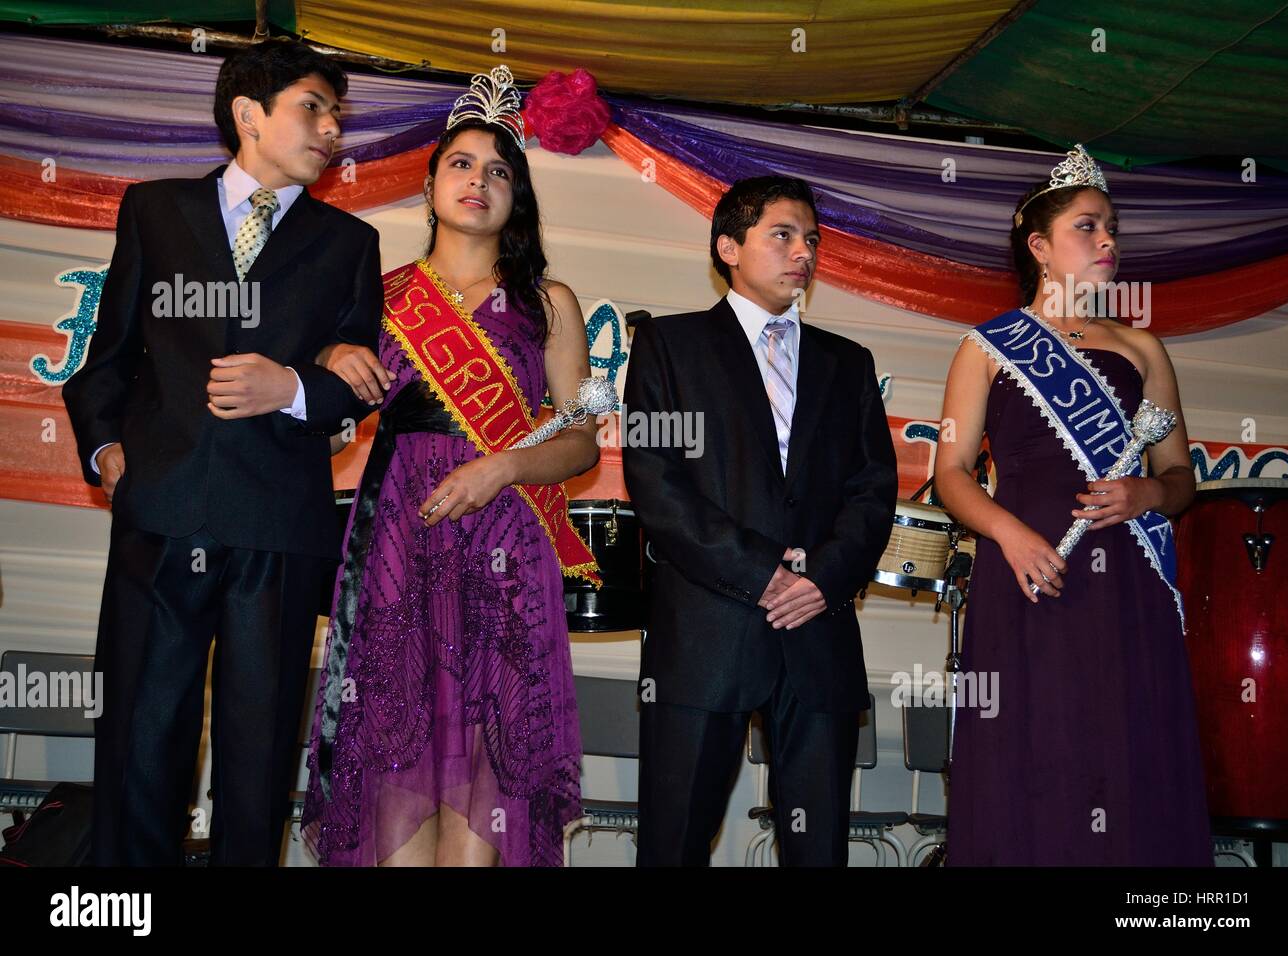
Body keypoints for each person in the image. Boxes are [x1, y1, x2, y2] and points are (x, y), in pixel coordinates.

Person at [60, 39, 382, 865]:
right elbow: (107, 362)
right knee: (138, 734)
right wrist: (106, 455)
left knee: (258, 755)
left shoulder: (349, 244)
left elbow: (359, 377)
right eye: (313, 106)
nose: (331, 129)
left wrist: (297, 387)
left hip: (277, 529)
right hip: (160, 517)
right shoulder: (155, 210)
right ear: (249, 114)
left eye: (337, 114)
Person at [299, 66, 599, 867]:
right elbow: (328, 417)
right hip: (400, 535)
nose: (479, 181)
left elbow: (579, 443)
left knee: (488, 784)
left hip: (504, 542)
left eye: (500, 171)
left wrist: (503, 467)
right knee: (394, 751)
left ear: (518, 199)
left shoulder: (548, 303)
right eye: (462, 164)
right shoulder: (379, 293)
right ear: (429, 184)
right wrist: (326, 362)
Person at [935, 145, 1212, 865]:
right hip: (1030, 574)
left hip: (1126, 579)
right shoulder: (987, 347)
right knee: (1037, 746)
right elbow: (953, 473)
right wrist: (1012, 536)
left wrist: (1151, 492)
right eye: (1089, 226)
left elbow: (1180, 474)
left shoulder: (1143, 348)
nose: (1109, 240)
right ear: (1039, 247)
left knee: (1126, 742)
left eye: (1113, 227)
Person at [623, 175, 899, 866]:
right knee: (674, 843)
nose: (802, 252)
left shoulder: (849, 363)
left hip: (819, 631)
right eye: (782, 234)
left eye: (811, 239)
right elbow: (658, 483)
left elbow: (874, 490)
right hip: (706, 637)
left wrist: (824, 579)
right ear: (728, 246)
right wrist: (762, 573)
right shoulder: (670, 348)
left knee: (820, 851)